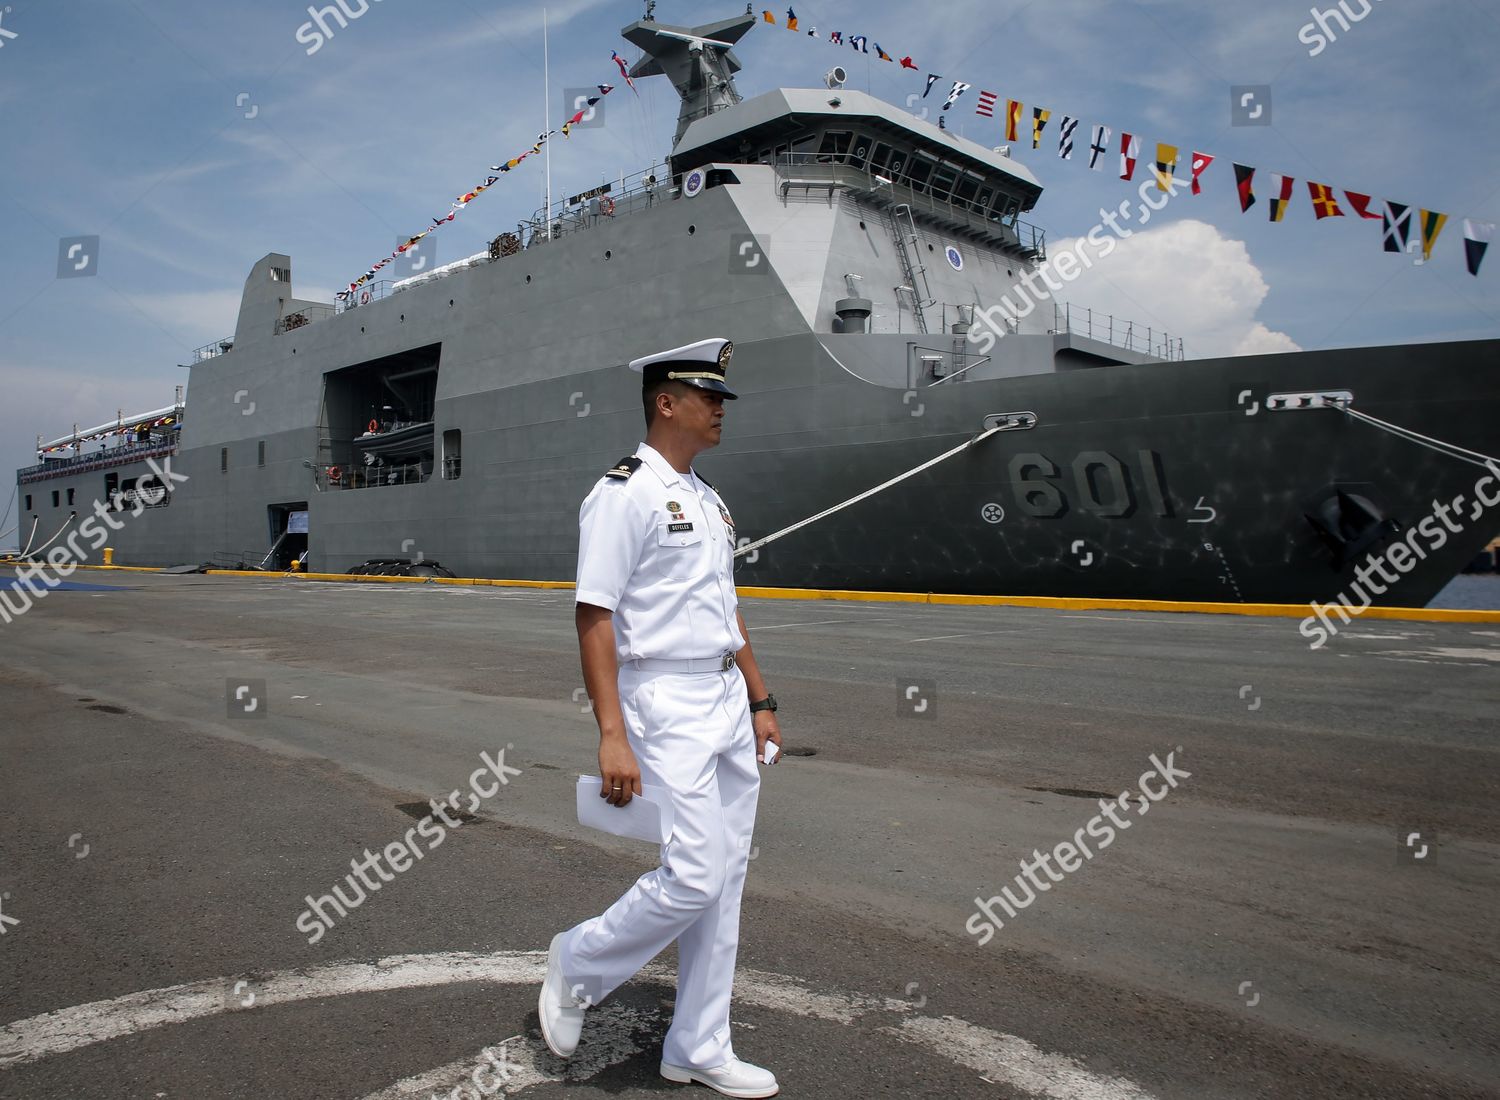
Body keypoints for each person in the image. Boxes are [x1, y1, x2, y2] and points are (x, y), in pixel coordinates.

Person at [539, 337, 783, 1098]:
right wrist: (611, 732)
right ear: (665, 402)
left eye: (722, 398)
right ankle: (579, 962)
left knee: (728, 880)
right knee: (692, 875)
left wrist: (760, 698)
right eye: (707, 397)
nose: (719, 409)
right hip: (663, 700)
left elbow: (726, 610)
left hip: (721, 700)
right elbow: (594, 615)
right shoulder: (624, 492)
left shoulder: (710, 500)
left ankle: (698, 1045)